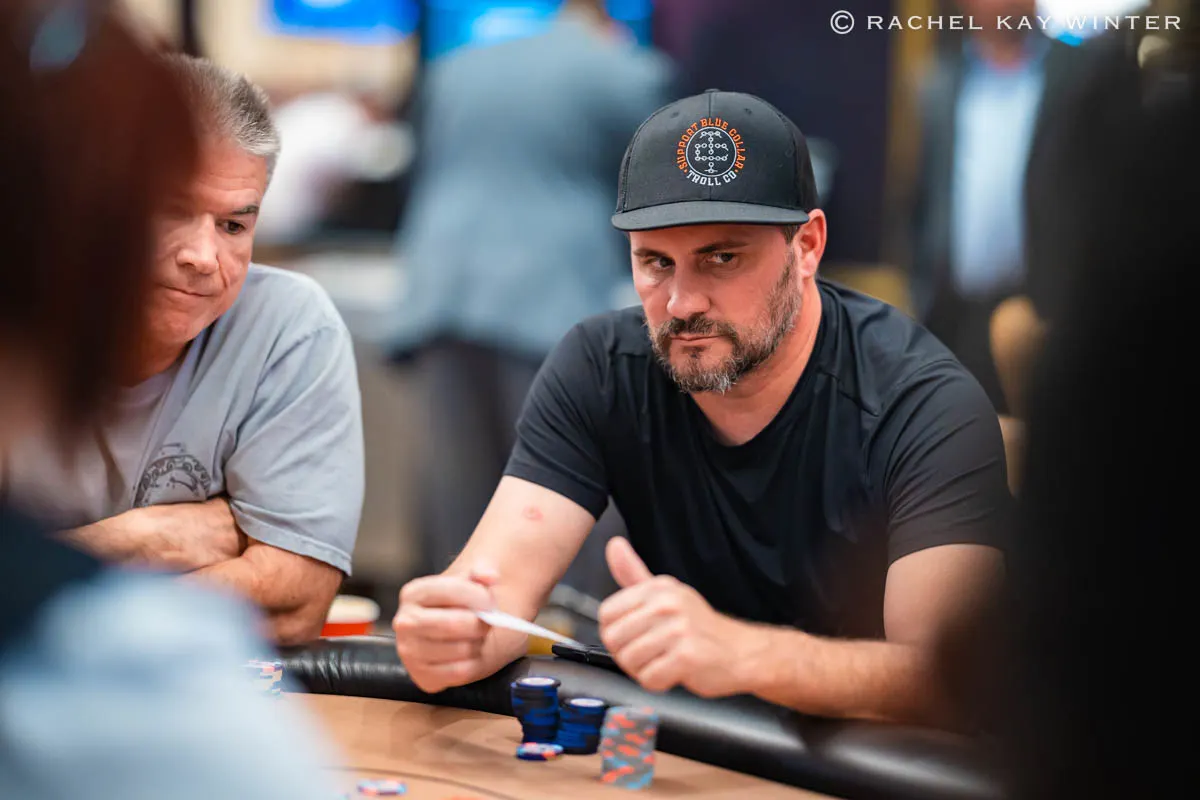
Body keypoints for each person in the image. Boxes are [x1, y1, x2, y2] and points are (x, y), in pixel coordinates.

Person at [392, 90, 1010, 729]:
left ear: (807, 246)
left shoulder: (924, 406)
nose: (682, 302)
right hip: (680, 749)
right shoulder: (600, 367)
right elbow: (493, 597)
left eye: (722, 258)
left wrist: (743, 655)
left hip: (864, 758)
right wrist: (452, 637)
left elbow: (952, 681)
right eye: (656, 262)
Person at [0, 4, 340, 797]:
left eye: (235, 224)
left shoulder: (290, 324)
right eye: (170, 211)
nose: (202, 257)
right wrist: (147, 540)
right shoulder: (151, 681)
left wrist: (79, 562)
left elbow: (297, 599)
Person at [389, 0, 674, 595]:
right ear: (609, 24)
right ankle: (563, 639)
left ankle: (457, 630)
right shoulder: (624, 71)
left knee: (460, 500)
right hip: (546, 297)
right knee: (560, 489)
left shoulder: (456, 68)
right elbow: (664, 191)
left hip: (440, 290)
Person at [905, 0, 1084, 414]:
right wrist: (920, 286)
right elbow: (922, 198)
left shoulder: (1076, 76)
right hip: (952, 314)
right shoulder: (941, 81)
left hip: (1042, 316)